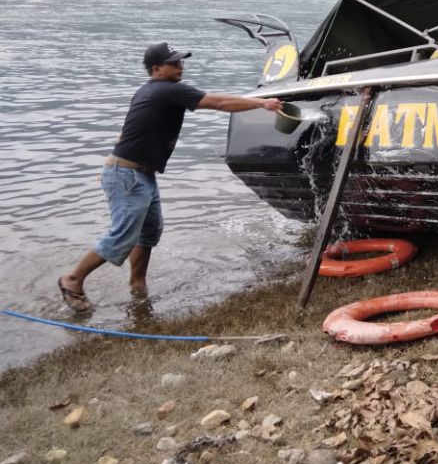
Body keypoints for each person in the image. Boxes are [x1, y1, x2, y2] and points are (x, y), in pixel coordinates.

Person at [57, 42, 283, 312]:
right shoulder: (167, 90)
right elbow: (220, 102)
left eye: (180, 61)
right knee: (123, 235)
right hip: (127, 175)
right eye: (173, 63)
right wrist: (263, 103)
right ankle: (72, 280)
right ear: (156, 69)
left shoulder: (151, 91)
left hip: (139, 174)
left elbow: (127, 131)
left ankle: (137, 287)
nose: (180, 66)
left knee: (149, 232)